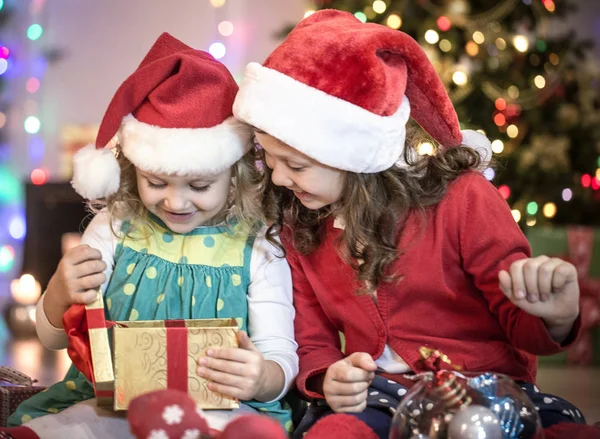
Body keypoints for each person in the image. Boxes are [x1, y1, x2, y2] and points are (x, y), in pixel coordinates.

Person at [233, 10, 599, 439]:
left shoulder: (464, 200)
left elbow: (522, 329)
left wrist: (555, 317)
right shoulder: (301, 224)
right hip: (379, 397)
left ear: (355, 154)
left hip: (485, 392)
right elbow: (312, 339)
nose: (277, 178)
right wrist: (329, 375)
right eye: (269, 159)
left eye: (295, 164)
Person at [4, 32, 298, 439]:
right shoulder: (115, 227)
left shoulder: (258, 247)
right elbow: (52, 339)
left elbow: (281, 354)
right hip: (114, 410)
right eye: (156, 182)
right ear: (133, 169)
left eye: (199, 186)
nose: (176, 202)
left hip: (218, 412)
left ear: (234, 177)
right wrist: (58, 291)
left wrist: (262, 377)